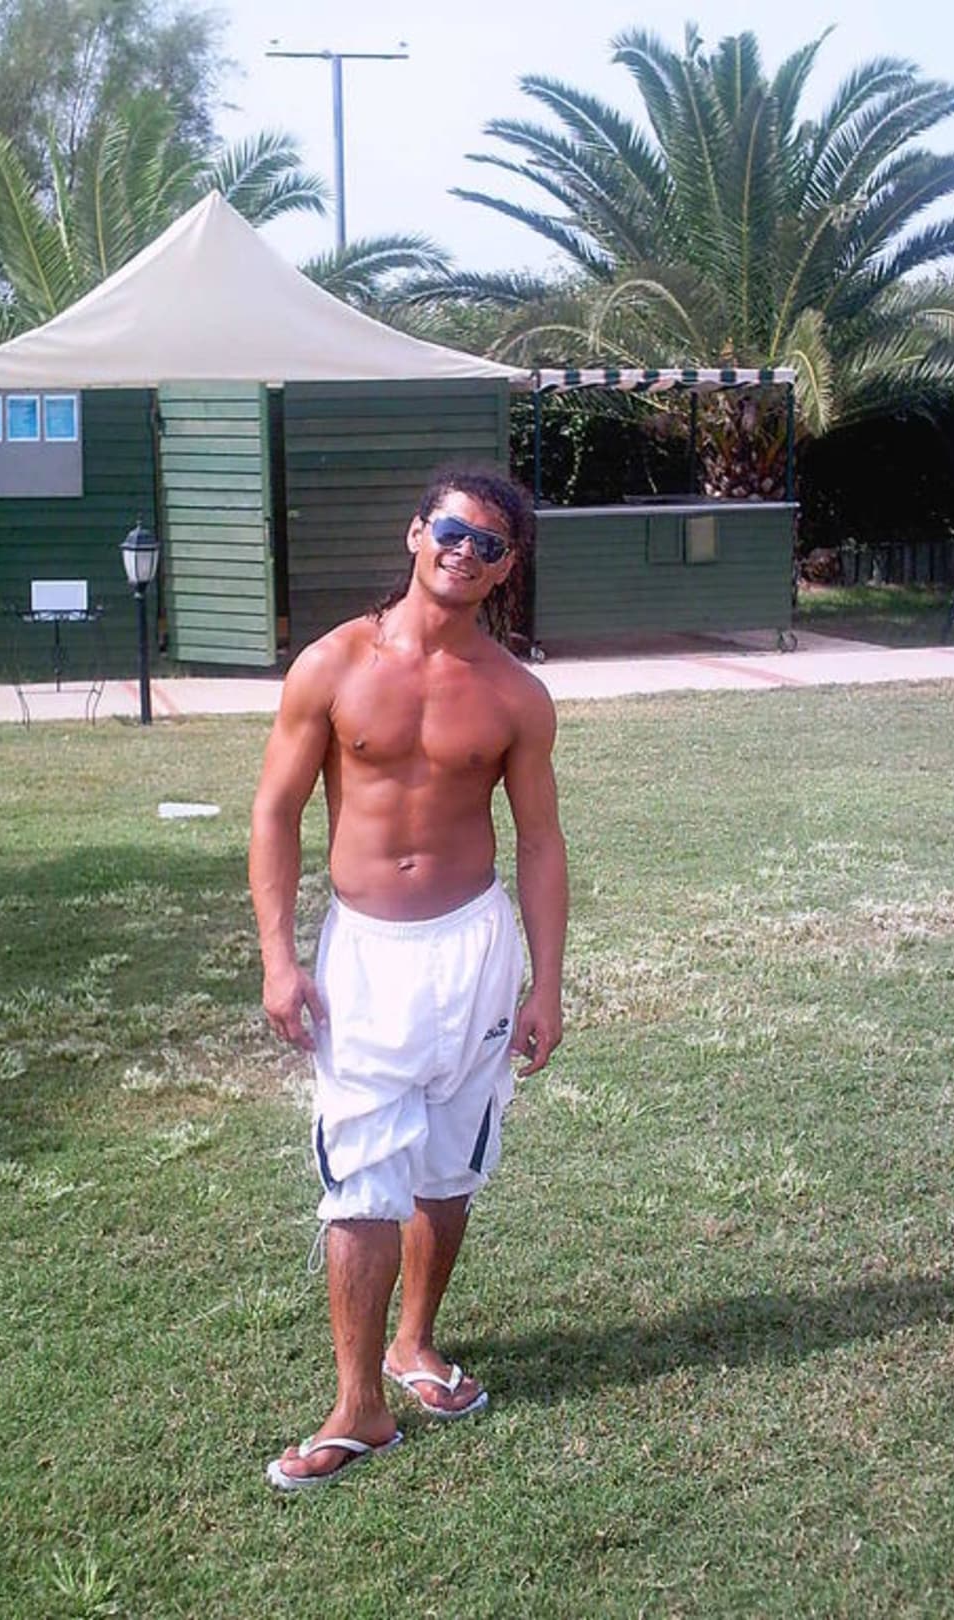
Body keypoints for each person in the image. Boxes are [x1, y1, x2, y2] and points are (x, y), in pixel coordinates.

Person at [250, 467, 568, 1491]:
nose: (465, 553)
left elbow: (541, 840)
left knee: (448, 1162)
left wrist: (547, 983)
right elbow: (275, 813)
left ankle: (414, 1344)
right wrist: (278, 959)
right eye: (452, 531)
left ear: (506, 569)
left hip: (474, 948)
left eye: (489, 545)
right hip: (367, 957)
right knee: (361, 1173)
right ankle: (359, 1407)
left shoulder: (515, 694)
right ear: (415, 533)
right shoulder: (333, 665)